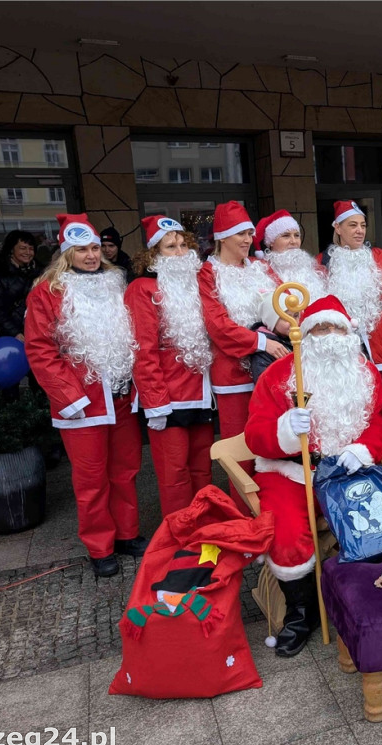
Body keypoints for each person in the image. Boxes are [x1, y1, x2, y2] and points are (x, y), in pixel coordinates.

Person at [245, 295, 382, 657]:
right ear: (304, 334)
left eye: (336, 327)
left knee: (379, 522)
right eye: (319, 328)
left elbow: (375, 424)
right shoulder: (279, 374)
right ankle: (301, 613)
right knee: (288, 530)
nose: (328, 335)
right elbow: (254, 435)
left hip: (345, 468)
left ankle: (370, 598)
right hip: (291, 472)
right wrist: (285, 431)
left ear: (348, 332)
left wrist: (364, 449)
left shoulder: (365, 372)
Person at [24, 214, 146, 577]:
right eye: (82, 250)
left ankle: (127, 534)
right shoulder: (47, 292)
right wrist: (69, 395)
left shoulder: (115, 282)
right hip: (82, 404)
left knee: (125, 471)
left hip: (120, 396)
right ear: (66, 253)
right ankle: (100, 547)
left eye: (95, 248)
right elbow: (40, 351)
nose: (92, 256)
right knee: (91, 480)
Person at [198, 201, 289, 512]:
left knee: (274, 444)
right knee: (242, 450)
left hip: (272, 368)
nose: (248, 239)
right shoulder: (208, 272)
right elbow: (217, 324)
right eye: (240, 234)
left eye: (250, 233)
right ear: (223, 237)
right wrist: (261, 343)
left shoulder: (262, 267)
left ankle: (273, 513)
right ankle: (244, 519)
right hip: (234, 374)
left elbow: (284, 304)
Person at [126, 215, 214, 516]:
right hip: (168, 398)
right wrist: (155, 402)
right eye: (170, 246)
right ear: (154, 254)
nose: (179, 252)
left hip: (202, 393)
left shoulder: (199, 284)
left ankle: (204, 527)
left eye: (182, 245)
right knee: (174, 475)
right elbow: (142, 350)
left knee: (203, 469)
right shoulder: (142, 289)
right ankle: (179, 535)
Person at [317, 200, 382, 367]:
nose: (360, 231)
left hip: (380, 343)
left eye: (363, 225)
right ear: (338, 228)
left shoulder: (380, 257)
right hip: (340, 347)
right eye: (353, 225)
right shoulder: (322, 262)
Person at [0, 230, 41, 349]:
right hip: (7, 335)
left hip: (35, 332)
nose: (28, 252)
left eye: (31, 248)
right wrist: (15, 333)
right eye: (23, 248)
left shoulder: (40, 272)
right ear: (11, 249)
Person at [252, 209, 327, 301]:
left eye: (296, 235)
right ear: (271, 242)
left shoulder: (312, 268)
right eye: (286, 236)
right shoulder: (261, 271)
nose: (293, 241)